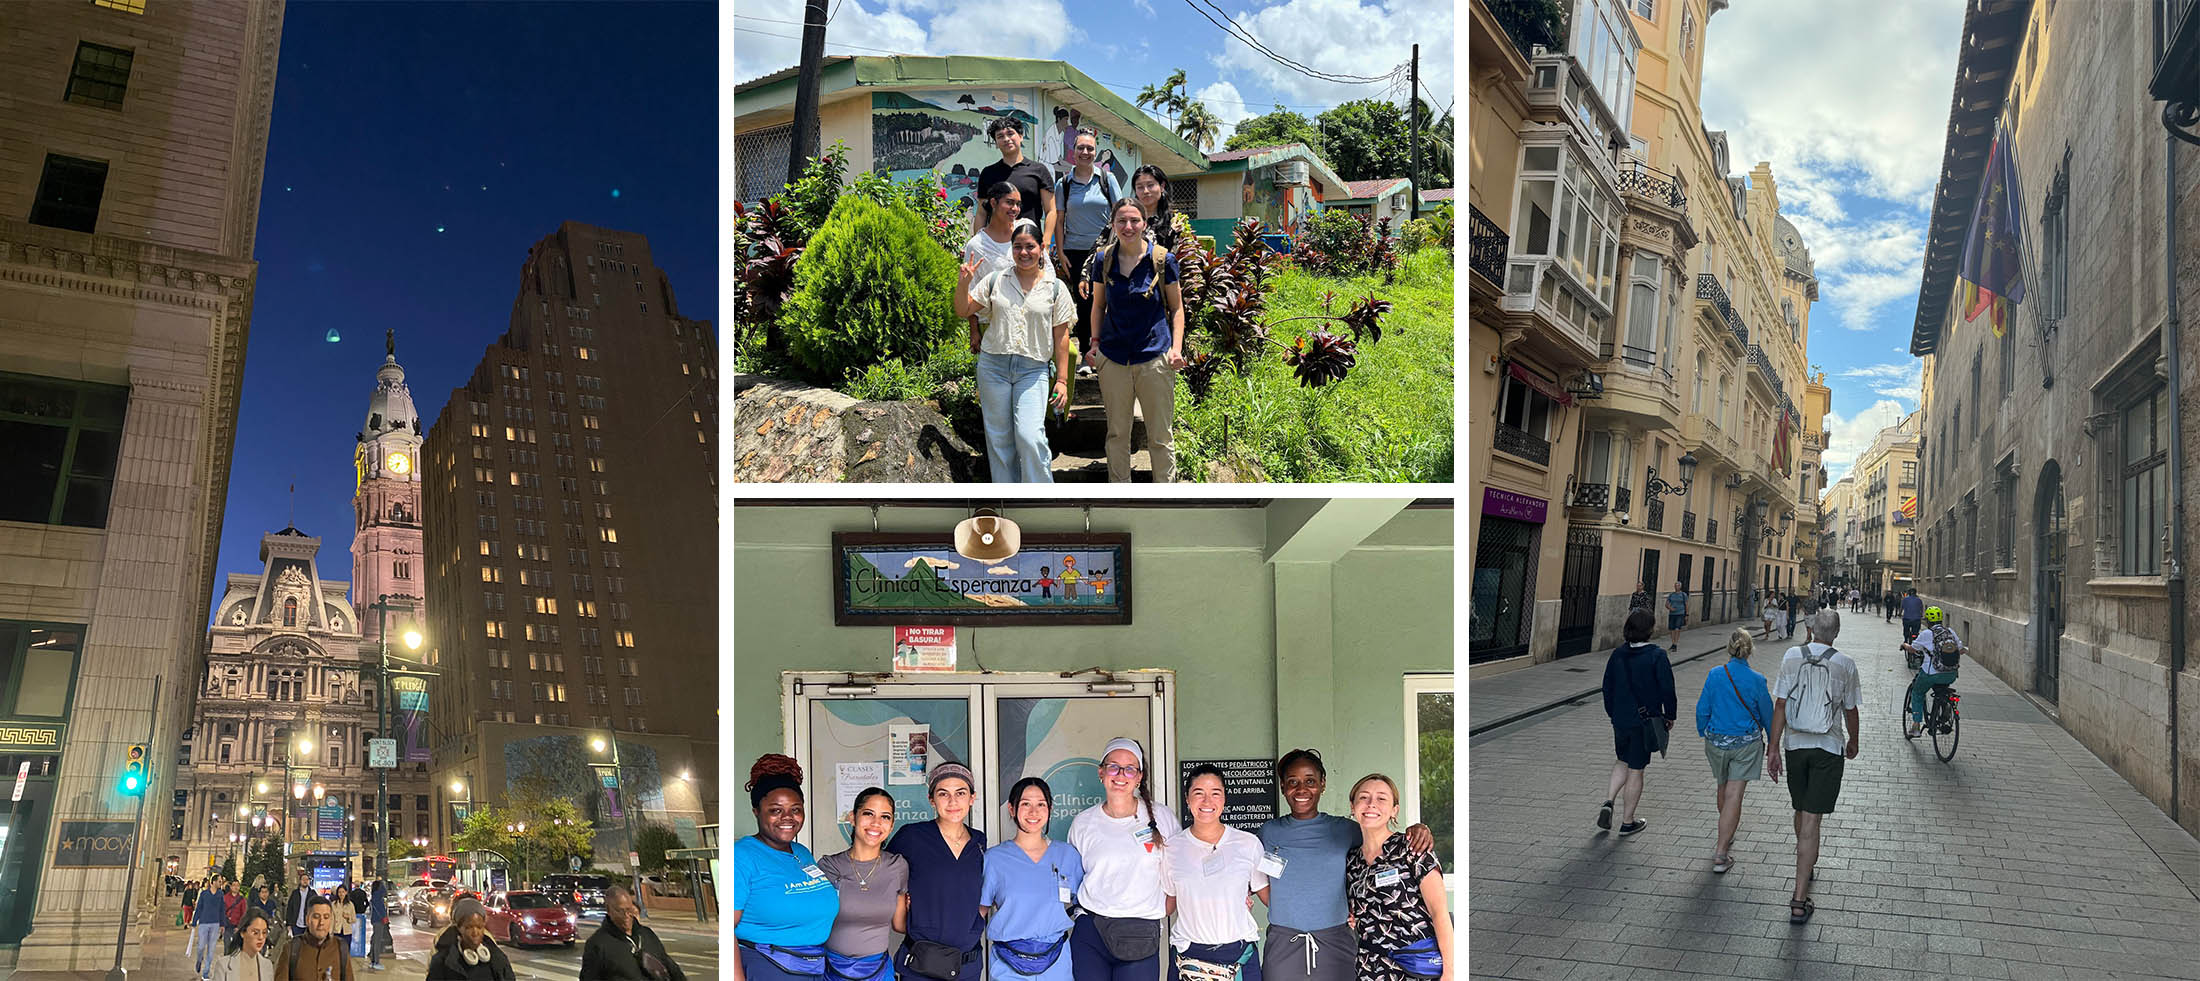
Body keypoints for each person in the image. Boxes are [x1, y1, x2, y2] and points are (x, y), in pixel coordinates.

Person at [1258, 749, 1434, 981]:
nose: (1301, 789)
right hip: (1284, 942)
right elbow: (1257, 880)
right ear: (1282, 787)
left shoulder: (1347, 830)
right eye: (1293, 782)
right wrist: (1288, 906)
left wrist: (1418, 829)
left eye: (1310, 781)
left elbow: (1381, 845)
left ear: (1322, 784)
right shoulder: (1268, 832)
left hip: (1336, 941)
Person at [956, 217, 1077, 483]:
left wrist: (1062, 380)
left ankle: (1041, 502)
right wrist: (964, 282)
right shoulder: (995, 280)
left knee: (1030, 435)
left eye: (1030, 246)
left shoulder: (1055, 288)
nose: (1024, 252)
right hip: (993, 367)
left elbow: (1061, 337)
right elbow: (963, 310)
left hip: (1032, 370)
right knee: (999, 439)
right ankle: (1007, 500)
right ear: (1011, 249)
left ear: (1041, 248)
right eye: (1018, 246)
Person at [1766, 609, 1862, 925]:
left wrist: (1773, 748)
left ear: (1812, 628)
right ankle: (1798, 898)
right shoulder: (1845, 664)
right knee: (1812, 819)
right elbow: (1850, 710)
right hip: (1827, 748)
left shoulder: (1792, 656)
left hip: (1795, 746)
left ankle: (1806, 857)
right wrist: (1853, 741)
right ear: (1836, 633)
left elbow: (1780, 703)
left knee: (1802, 810)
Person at [1087, 197, 1186, 483]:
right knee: (1117, 434)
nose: (1128, 227)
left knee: (1159, 435)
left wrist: (1175, 349)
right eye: (1121, 221)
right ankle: (1121, 493)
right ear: (1114, 224)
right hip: (1114, 356)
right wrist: (1094, 343)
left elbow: (1177, 308)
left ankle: (1164, 495)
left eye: (1134, 221)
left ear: (1144, 223)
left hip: (1154, 358)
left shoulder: (1162, 260)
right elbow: (1098, 305)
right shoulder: (1103, 260)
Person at [1069, 736, 1182, 981]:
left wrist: (1165, 907)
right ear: (1101, 772)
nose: (1121, 775)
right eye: (1113, 766)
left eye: (1130, 768)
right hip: (1092, 931)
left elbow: (1181, 868)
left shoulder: (1162, 817)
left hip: (1140, 931)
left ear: (1139, 776)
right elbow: (1074, 877)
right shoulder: (1084, 823)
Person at [732, 754, 837, 980]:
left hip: (812, 967)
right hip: (768, 967)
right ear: (757, 811)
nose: (787, 818)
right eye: (776, 810)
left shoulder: (801, 852)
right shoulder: (741, 856)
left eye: (795, 809)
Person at [1344, 775, 1453, 981]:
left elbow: (1439, 913)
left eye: (1381, 799)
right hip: (1370, 969)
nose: (1371, 804)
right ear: (1353, 806)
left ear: (1395, 810)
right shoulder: (1351, 860)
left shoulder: (1412, 848)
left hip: (1415, 967)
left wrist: (1450, 973)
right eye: (1364, 797)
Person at [1165, 766, 1268, 981]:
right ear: (1187, 798)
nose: (1207, 801)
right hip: (1189, 956)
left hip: (1239, 956)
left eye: (1215, 793)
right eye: (1198, 793)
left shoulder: (1248, 844)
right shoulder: (1171, 849)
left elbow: (1270, 898)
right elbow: (1168, 903)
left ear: (1224, 798)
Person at [887, 761, 986, 981]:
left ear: (972, 797)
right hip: (922, 964)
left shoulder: (979, 842)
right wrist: (901, 914)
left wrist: (975, 918)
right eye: (943, 794)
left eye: (960, 793)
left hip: (966, 965)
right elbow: (884, 874)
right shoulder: (912, 837)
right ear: (932, 799)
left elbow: (986, 888)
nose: (953, 801)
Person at [979, 777, 1083, 981]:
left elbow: (1085, 904)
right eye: (1025, 804)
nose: (1033, 812)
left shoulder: (1067, 855)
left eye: (1041, 804)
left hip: (1056, 960)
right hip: (1009, 961)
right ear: (1011, 809)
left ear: (1050, 809)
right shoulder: (994, 859)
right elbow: (979, 912)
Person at [1694, 629, 1776, 874]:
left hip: (1717, 741)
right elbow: (1768, 716)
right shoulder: (1757, 680)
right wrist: (1773, 744)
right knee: (1734, 794)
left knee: (1722, 786)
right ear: (1749, 650)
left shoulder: (1715, 674)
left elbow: (1702, 709)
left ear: (1729, 648)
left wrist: (1705, 731)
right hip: (1745, 745)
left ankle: (1725, 831)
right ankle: (1721, 852)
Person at [817, 786, 911, 980]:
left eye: (885, 817)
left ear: (892, 825)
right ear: (853, 817)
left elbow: (899, 925)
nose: (876, 823)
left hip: (878, 971)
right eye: (868, 813)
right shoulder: (829, 866)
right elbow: (815, 920)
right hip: (832, 970)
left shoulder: (897, 866)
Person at [1599, 609, 1676, 837]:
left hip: (1620, 720)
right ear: (1650, 630)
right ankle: (1627, 821)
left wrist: (1613, 712)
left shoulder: (1617, 654)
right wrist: (1669, 715)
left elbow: (1607, 687)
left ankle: (1608, 800)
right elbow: (1667, 689)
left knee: (1622, 760)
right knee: (1636, 769)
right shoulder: (1657, 656)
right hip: (1644, 721)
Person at [1053, 127, 1121, 377]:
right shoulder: (1064, 184)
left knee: (1108, 302)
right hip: (1075, 252)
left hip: (1106, 252)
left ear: (1096, 152)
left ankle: (1108, 354)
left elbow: (1119, 213)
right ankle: (1085, 356)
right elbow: (1059, 220)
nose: (1085, 152)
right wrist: (1060, 252)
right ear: (1073, 152)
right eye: (1080, 147)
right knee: (1084, 306)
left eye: (1090, 148)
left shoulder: (1106, 179)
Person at [974, 117, 1056, 254]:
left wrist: (1045, 243)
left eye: (1010, 133)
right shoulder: (988, 173)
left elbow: (1051, 210)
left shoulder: (1039, 170)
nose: (1006, 139)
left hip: (1030, 243)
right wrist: (978, 242)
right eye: (1000, 136)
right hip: (996, 245)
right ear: (996, 142)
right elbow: (982, 213)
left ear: (1021, 136)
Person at [962, 180, 1026, 355]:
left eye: (1018, 204)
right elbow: (971, 289)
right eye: (1009, 202)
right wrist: (974, 331)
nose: (1015, 209)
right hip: (992, 326)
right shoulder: (977, 246)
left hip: (1028, 323)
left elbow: (1045, 272)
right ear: (993, 203)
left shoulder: (1025, 231)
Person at [587, 885, 688, 981]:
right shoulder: (597, 943)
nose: (626, 915)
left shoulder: (647, 935)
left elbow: (670, 966)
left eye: (628, 909)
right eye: (620, 911)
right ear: (609, 910)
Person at [1901, 606, 1966, 738]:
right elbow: (1961, 650)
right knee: (1940, 689)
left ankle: (1916, 727)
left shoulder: (1926, 634)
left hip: (1931, 673)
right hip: (1951, 674)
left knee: (1918, 693)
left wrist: (1904, 645)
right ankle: (1945, 705)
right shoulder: (1950, 632)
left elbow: (1913, 649)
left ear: (1928, 620)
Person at [421, 897, 514, 980]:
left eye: (479, 927)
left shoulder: (498, 958)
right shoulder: (442, 962)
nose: (475, 932)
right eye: (469, 927)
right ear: (458, 928)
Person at [269, 894, 353, 981]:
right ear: (307, 920)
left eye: (326, 917)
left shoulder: (340, 948)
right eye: (316, 917)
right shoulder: (291, 949)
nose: (321, 922)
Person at [212, 910, 274, 981]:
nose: (261, 937)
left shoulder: (267, 966)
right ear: (242, 933)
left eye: (264, 932)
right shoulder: (224, 966)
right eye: (255, 933)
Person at [194, 875, 231, 980]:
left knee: (211, 949)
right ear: (213, 882)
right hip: (204, 923)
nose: (221, 883)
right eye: (219, 881)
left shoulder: (220, 895)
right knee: (201, 946)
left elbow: (222, 909)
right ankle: (199, 959)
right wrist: (194, 921)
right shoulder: (204, 894)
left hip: (215, 924)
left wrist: (223, 924)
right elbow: (199, 908)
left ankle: (206, 973)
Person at [366, 880, 390, 971]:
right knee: (377, 941)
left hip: (375, 920)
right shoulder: (378, 897)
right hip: (379, 921)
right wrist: (384, 918)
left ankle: (373, 961)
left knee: (375, 939)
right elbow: (381, 910)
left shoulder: (374, 896)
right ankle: (376, 961)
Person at [283, 870, 315, 937]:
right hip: (296, 924)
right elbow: (290, 908)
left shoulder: (313, 894)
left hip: (308, 925)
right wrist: (288, 924)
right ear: (300, 881)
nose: (305, 881)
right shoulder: (295, 893)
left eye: (307, 879)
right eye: (303, 879)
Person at [330, 883, 356, 960]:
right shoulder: (333, 904)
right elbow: (331, 919)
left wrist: (348, 917)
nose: (341, 894)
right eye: (339, 892)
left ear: (346, 892)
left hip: (347, 932)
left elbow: (354, 919)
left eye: (343, 892)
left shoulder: (350, 904)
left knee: (345, 952)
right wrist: (330, 932)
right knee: (335, 952)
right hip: (336, 931)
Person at [1663, 581, 1688, 652]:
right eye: (1675, 585)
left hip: (1680, 613)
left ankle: (1675, 643)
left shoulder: (1683, 595)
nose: (1676, 587)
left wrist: (1686, 614)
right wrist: (1670, 608)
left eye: (1678, 585)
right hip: (1672, 614)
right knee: (1671, 629)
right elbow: (1667, 604)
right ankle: (1673, 643)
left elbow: (1686, 604)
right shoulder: (1671, 595)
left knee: (1677, 628)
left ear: (1680, 587)